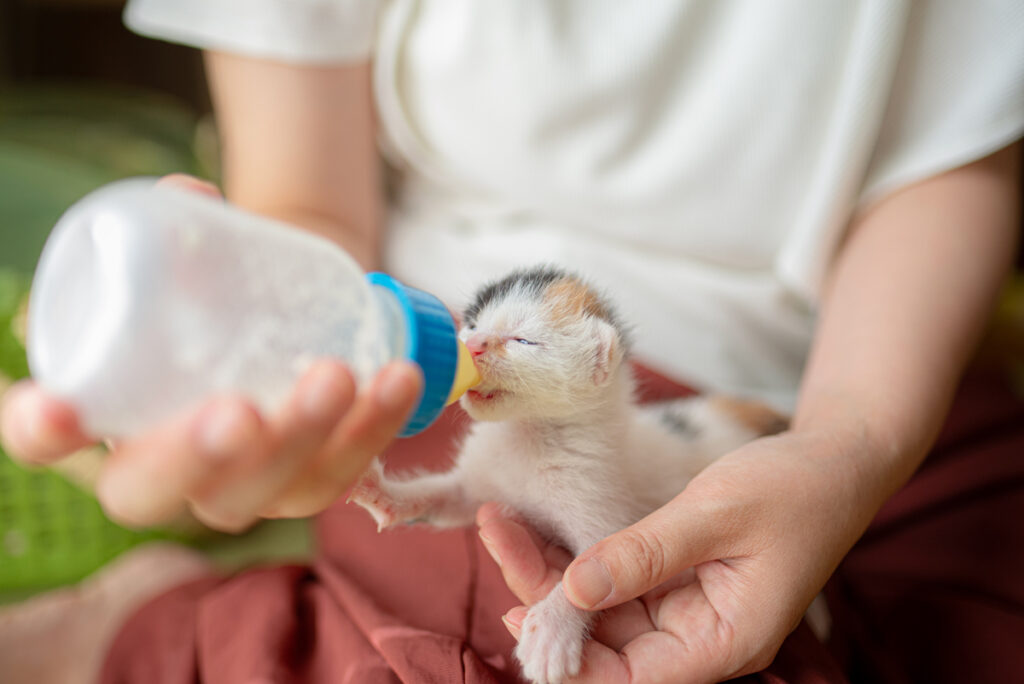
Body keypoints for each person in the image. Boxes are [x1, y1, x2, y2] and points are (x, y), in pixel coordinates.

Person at [2, 1, 1023, 682]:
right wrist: (265, 335)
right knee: (504, 637)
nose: (492, 354)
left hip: (874, 373)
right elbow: (310, 206)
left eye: (517, 348)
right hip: (403, 374)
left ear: (590, 368)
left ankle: (231, 635)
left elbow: (955, 158)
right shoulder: (472, 375)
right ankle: (170, 629)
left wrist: (850, 442)